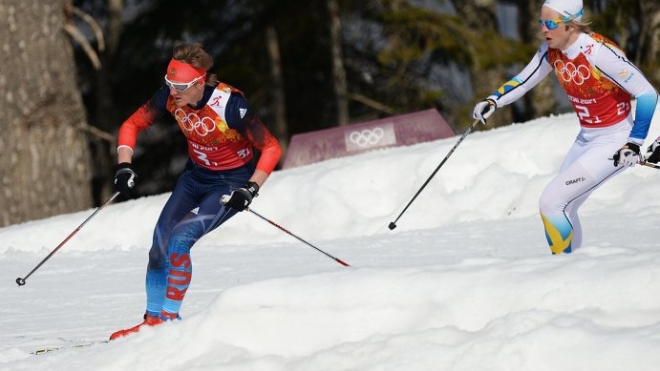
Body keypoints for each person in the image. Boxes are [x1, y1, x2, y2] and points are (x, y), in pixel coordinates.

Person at [109, 43, 282, 339]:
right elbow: (131, 124)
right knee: (159, 244)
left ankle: (169, 321)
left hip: (230, 183)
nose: (173, 92)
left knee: (180, 239)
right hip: (195, 177)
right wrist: (124, 165)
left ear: (199, 82)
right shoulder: (171, 97)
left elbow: (271, 147)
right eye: (169, 83)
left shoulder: (231, 105)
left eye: (180, 86)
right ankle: (152, 323)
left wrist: (251, 188)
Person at [472, 0, 658, 255]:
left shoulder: (598, 52)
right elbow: (524, 80)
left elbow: (647, 94)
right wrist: (493, 100)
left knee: (551, 202)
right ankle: (574, 270)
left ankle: (562, 269)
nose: (544, 30)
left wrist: (634, 142)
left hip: (615, 141)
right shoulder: (553, 50)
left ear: (570, 25)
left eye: (550, 24)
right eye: (541, 23)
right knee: (565, 207)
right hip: (586, 139)